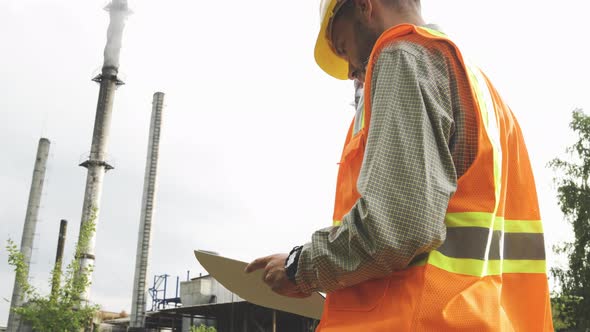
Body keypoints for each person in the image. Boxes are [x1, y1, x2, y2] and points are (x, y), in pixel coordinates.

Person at [245, 0, 554, 330]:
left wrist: (298, 268)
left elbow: (398, 226)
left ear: (365, 6)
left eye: (341, 45)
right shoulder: (485, 93)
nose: (349, 70)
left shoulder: (402, 55)